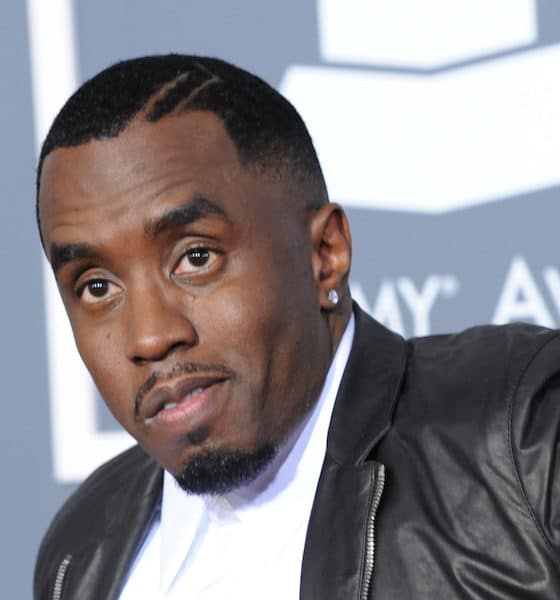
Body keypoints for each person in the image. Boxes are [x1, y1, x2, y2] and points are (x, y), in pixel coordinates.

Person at [34, 55, 560, 599]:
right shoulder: (83, 551)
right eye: (97, 287)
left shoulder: (525, 437)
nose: (149, 336)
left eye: (196, 258)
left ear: (324, 254)